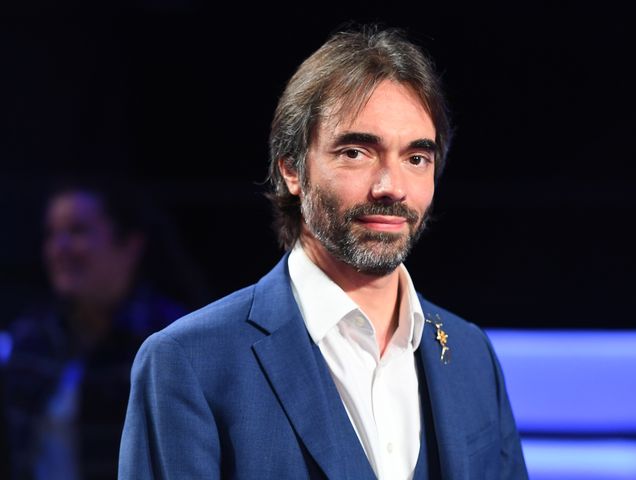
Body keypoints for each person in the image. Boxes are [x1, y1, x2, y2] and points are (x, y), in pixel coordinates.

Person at [119, 24, 528, 479]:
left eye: (416, 158)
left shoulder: (470, 354)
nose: (390, 186)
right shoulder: (189, 362)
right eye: (356, 152)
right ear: (292, 170)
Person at [2, 178, 201, 479]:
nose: (60, 248)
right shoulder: (30, 338)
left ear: (130, 244)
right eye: (52, 234)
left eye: (77, 231)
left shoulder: (172, 338)